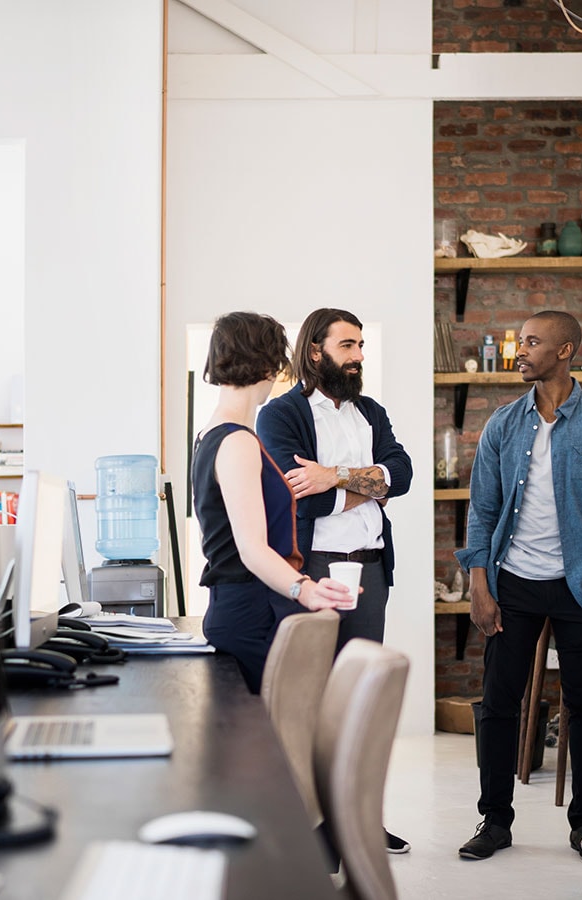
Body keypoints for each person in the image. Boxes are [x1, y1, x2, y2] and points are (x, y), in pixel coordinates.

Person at [454, 311, 582, 866]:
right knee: (498, 704)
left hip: (581, 584)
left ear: (565, 350)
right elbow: (481, 513)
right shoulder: (504, 425)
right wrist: (480, 586)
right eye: (521, 341)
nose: (521, 350)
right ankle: (495, 819)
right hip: (513, 582)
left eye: (532, 342)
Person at [256, 306, 415, 854]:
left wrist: (335, 476)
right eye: (348, 346)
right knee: (311, 701)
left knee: (359, 700)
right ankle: (313, 825)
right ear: (316, 349)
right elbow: (295, 492)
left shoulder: (370, 411)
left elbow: (404, 473)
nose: (359, 356)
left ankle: (359, 819)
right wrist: (367, 486)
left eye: (361, 345)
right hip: (312, 570)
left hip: (370, 568)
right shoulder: (280, 415)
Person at [191, 311, 352, 694]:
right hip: (251, 613)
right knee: (272, 744)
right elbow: (251, 549)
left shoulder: (210, 436)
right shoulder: (237, 442)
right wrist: (306, 589)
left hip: (238, 607)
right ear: (267, 364)